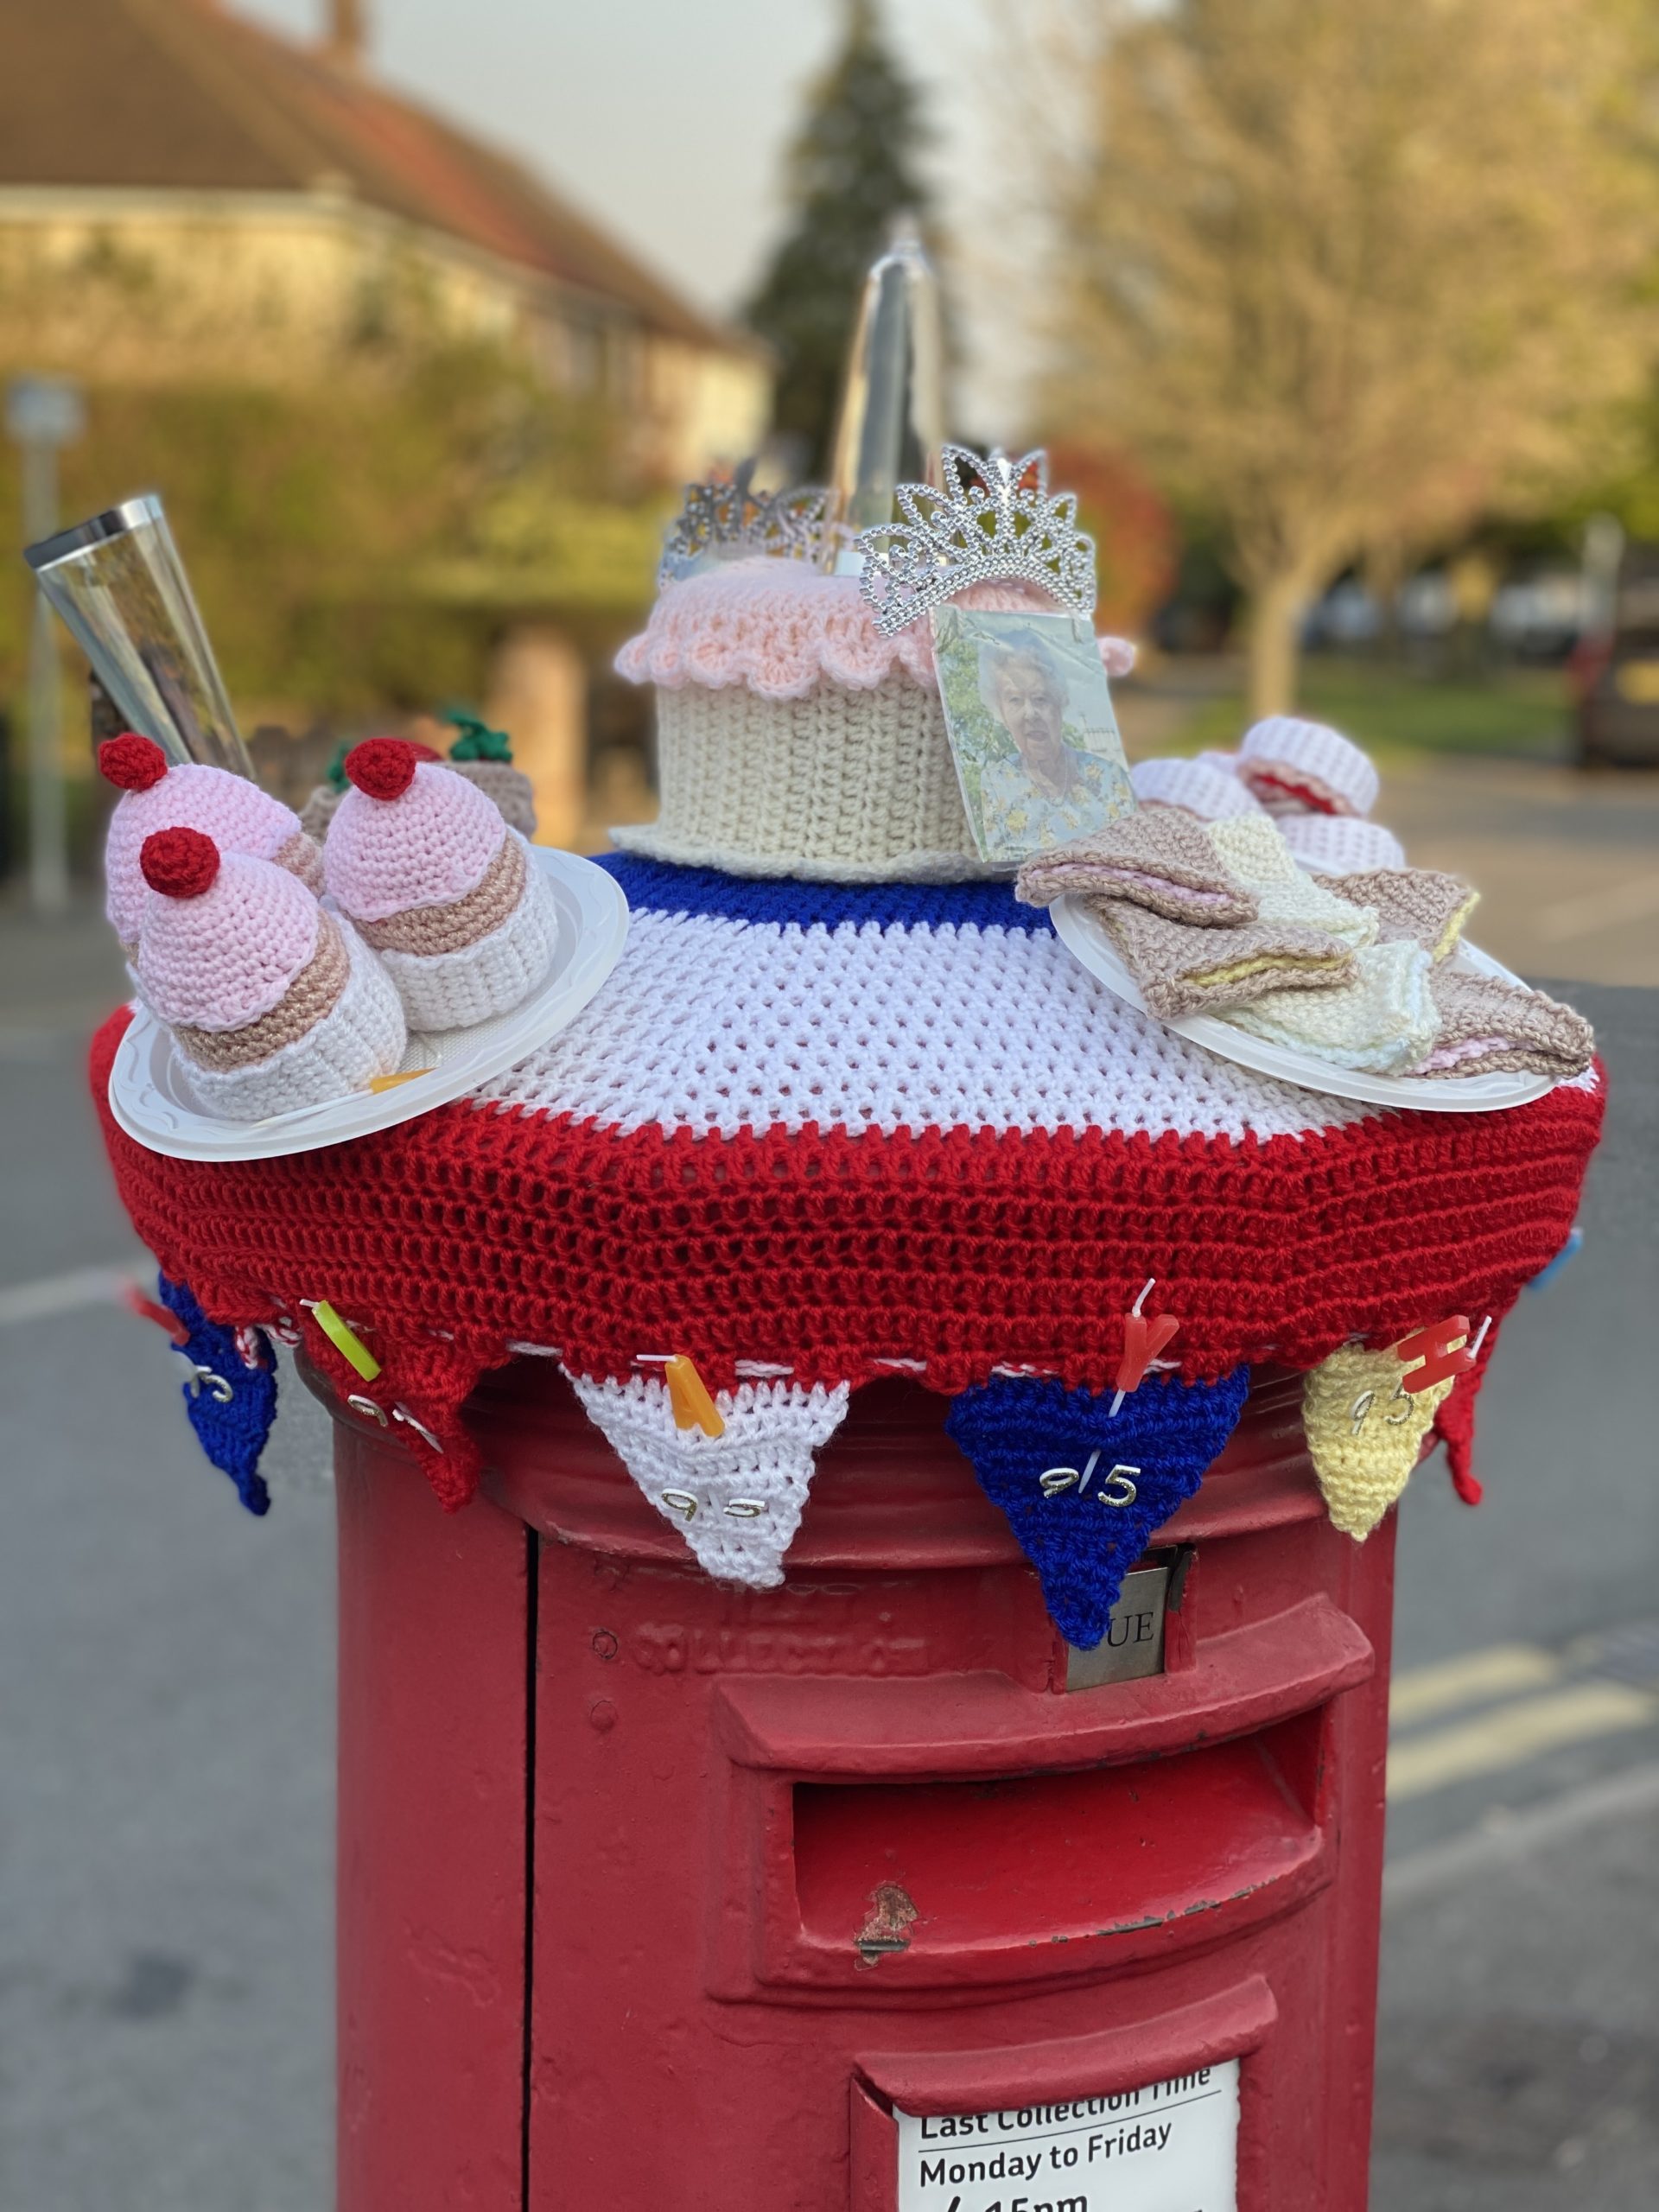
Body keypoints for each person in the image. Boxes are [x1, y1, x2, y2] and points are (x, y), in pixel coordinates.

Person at [976, 629, 1132, 858]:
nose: (1030, 714)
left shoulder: (1110, 777)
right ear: (1001, 712)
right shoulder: (996, 782)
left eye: (1040, 698)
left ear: (1059, 703)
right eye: (1015, 700)